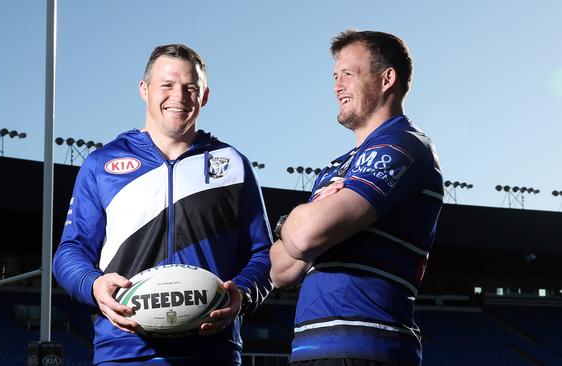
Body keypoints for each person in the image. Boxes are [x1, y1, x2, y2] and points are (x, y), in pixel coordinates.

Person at [53, 44, 273, 365]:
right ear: (144, 89)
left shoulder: (232, 164)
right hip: (124, 351)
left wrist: (244, 293)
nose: (179, 97)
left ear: (205, 96)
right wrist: (94, 284)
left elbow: (263, 254)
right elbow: (70, 252)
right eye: (167, 85)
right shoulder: (102, 163)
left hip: (212, 351)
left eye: (190, 88)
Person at [270, 30, 443, 366]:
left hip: (365, 348)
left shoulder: (403, 146)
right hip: (310, 349)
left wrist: (296, 224)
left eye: (348, 74)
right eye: (335, 76)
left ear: (386, 78)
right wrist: (304, 222)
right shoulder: (336, 168)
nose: (337, 86)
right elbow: (281, 271)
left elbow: (304, 237)